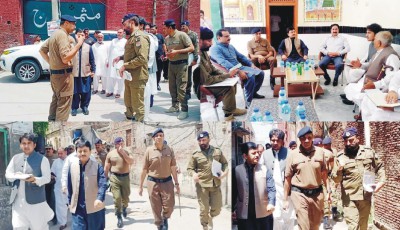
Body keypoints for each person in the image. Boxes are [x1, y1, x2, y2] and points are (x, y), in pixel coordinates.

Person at [331, 127, 386, 230]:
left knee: (363, 226)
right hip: (349, 199)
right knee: (353, 227)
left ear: (358, 138)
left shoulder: (369, 152)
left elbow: (380, 166)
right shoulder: (340, 157)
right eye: (345, 141)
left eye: (351, 140)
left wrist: (381, 181)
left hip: (366, 196)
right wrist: (339, 171)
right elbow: (336, 180)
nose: (348, 143)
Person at [39, 15, 85, 121]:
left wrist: (52, 63)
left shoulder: (55, 34)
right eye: (73, 24)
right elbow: (65, 58)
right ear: (66, 23)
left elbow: (42, 50)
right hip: (64, 76)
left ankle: (52, 121)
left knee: (56, 99)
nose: (74, 26)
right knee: (64, 103)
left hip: (56, 75)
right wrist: (79, 44)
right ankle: (59, 124)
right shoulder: (62, 35)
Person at [283, 126, 330, 229]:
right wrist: (285, 199)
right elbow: (288, 179)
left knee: (315, 225)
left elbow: (324, 174)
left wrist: (329, 192)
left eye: (309, 137)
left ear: (312, 137)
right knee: (304, 225)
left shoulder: (320, 152)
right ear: (300, 140)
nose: (306, 140)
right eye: (303, 138)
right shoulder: (293, 155)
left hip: (317, 194)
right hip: (299, 194)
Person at [5, 133, 54, 230]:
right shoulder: (15, 158)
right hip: (18, 202)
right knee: (18, 227)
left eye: (29, 143)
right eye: (23, 143)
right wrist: (16, 176)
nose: (26, 146)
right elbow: (8, 174)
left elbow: (47, 178)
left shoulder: (42, 159)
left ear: (34, 145)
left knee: (38, 227)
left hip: (36, 203)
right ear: (20, 145)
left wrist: (35, 179)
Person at [198, 27, 246, 121]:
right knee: (228, 88)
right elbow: (207, 80)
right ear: (200, 40)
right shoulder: (199, 57)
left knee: (232, 81)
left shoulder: (204, 52)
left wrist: (228, 75)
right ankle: (228, 115)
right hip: (203, 88)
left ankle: (231, 108)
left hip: (209, 81)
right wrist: (227, 75)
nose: (211, 43)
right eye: (208, 40)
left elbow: (212, 69)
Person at [343, 31, 400, 108]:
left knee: (353, 91)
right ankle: (357, 103)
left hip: (376, 86)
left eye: (375, 39)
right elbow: (371, 64)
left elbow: (392, 77)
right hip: (367, 80)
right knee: (349, 88)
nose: (373, 41)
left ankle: (360, 106)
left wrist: (376, 85)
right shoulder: (379, 51)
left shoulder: (391, 56)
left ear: (379, 43)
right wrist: (360, 65)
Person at [210, 28, 265, 108]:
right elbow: (224, 62)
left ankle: (253, 93)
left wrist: (251, 64)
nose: (229, 38)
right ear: (219, 38)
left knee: (261, 73)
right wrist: (238, 71)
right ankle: (248, 101)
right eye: (226, 36)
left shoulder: (230, 46)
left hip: (240, 67)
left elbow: (241, 56)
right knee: (251, 77)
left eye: (229, 35)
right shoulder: (215, 49)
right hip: (230, 71)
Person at [139, 128, 179, 230]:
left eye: (161, 135)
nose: (159, 137)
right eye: (157, 136)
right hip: (153, 182)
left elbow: (173, 167)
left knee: (170, 205)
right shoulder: (149, 151)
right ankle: (159, 225)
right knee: (156, 206)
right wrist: (140, 186)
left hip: (167, 181)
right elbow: (144, 169)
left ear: (163, 137)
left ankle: (165, 217)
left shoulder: (169, 149)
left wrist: (177, 184)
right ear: (153, 138)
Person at [187, 131, 229, 230]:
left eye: (204, 140)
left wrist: (224, 173)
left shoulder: (217, 151)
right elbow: (190, 168)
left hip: (215, 184)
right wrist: (193, 174)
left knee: (218, 208)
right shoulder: (195, 155)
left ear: (208, 140)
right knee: (204, 209)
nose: (202, 142)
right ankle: (205, 225)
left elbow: (225, 164)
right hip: (202, 186)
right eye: (200, 140)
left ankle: (210, 217)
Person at [233, 142, 276, 230]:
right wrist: (232, 210)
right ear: (245, 156)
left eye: (257, 152)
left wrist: (271, 202)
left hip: (263, 213)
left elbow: (271, 188)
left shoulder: (264, 169)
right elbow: (234, 192)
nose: (257, 155)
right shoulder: (237, 170)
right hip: (244, 215)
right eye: (253, 153)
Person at [116, 14, 150, 121]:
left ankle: (139, 123)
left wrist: (125, 65)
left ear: (131, 22)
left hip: (138, 76)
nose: (123, 27)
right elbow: (132, 54)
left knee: (137, 103)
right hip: (130, 75)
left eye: (124, 24)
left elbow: (142, 58)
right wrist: (121, 58)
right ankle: (129, 116)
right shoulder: (131, 37)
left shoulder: (139, 37)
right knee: (128, 100)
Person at [67, 139, 107, 229]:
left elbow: (103, 184)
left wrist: (100, 198)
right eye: (80, 151)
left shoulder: (97, 166)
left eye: (85, 151)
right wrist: (69, 201)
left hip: (94, 208)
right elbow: (70, 186)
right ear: (76, 152)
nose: (82, 153)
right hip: (78, 209)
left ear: (90, 152)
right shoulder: (72, 167)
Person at [260, 129, 295, 230]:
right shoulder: (265, 154)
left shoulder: (290, 153)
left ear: (282, 141)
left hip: (287, 191)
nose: (275, 143)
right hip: (272, 192)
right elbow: (260, 171)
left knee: (289, 216)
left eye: (278, 140)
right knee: (276, 217)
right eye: (273, 140)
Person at [164, 19, 194, 120]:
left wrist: (177, 51)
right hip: (171, 65)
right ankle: (174, 106)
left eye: (165, 28)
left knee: (181, 88)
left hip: (182, 65)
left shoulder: (182, 35)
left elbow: (191, 48)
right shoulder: (167, 38)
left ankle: (184, 110)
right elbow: (169, 51)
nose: (164, 30)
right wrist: (167, 55)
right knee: (172, 87)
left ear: (170, 28)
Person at [341, 23, 382, 92]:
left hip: (370, 69)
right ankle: (351, 87)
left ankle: (354, 91)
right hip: (365, 65)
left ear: (376, 34)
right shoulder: (371, 44)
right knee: (347, 67)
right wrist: (357, 63)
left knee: (353, 72)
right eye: (366, 33)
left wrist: (360, 66)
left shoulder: (379, 46)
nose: (366, 35)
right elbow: (366, 57)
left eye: (369, 33)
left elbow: (373, 63)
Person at [104, 137, 134, 228]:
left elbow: (131, 161)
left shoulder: (127, 152)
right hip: (114, 177)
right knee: (117, 198)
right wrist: (105, 179)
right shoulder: (110, 154)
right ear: (115, 144)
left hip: (125, 177)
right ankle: (119, 216)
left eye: (122, 143)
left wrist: (123, 153)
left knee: (126, 197)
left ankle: (124, 207)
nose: (121, 145)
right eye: (118, 143)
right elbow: (106, 167)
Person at [71, 29, 96, 116]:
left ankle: (84, 107)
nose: (81, 36)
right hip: (74, 74)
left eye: (82, 35)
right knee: (74, 92)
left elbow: (92, 60)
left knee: (86, 92)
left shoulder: (88, 47)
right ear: (75, 36)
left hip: (86, 73)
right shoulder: (72, 46)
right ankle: (74, 108)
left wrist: (93, 70)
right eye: (79, 35)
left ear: (85, 36)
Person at [322, 137, 343, 222]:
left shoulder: (334, 151)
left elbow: (336, 163)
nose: (326, 146)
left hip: (333, 177)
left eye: (328, 145)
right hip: (324, 177)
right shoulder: (322, 152)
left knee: (334, 195)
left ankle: (334, 213)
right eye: (325, 145)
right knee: (326, 197)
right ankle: (326, 219)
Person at [51, 147, 69, 230]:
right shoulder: (56, 162)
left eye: (61, 153)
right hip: (58, 187)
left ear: (66, 152)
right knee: (60, 205)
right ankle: (63, 223)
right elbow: (52, 172)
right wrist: (51, 176)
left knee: (73, 204)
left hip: (70, 187)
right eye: (58, 153)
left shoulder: (70, 160)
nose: (59, 155)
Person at [181, 21, 199, 100]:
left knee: (188, 74)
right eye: (181, 26)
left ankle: (188, 92)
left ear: (188, 26)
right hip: (181, 56)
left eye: (184, 26)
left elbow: (196, 46)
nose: (182, 28)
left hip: (189, 56)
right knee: (181, 74)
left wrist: (195, 58)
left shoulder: (193, 35)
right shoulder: (180, 34)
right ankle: (182, 91)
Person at [107, 29, 127, 98]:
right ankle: (110, 91)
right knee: (111, 78)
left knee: (119, 78)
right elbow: (110, 51)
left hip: (120, 62)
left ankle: (119, 92)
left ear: (123, 33)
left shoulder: (125, 41)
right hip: (112, 62)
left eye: (120, 32)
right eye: (118, 32)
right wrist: (107, 61)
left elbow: (126, 53)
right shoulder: (113, 40)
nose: (119, 33)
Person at [44, 143, 57, 225]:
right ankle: (49, 217)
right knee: (47, 202)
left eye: (49, 148)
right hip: (45, 184)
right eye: (46, 149)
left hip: (54, 184)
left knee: (53, 201)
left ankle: (54, 218)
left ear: (52, 149)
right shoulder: (43, 158)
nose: (48, 150)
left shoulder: (56, 158)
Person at [150, 24, 165, 91]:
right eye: (151, 29)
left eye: (153, 29)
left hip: (159, 56)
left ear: (156, 29)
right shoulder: (149, 36)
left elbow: (164, 45)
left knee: (159, 71)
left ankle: (157, 84)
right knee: (151, 71)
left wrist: (165, 54)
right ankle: (151, 84)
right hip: (152, 56)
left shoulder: (160, 36)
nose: (151, 30)